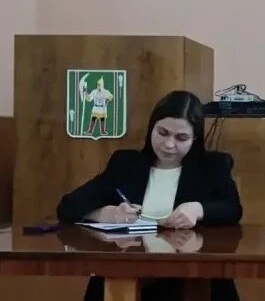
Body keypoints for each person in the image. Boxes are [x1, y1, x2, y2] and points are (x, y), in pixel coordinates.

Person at [57, 90, 243, 301]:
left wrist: (198, 209)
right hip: (129, 272)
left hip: (192, 278)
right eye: (162, 133)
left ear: (195, 138)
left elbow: (233, 209)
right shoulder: (126, 164)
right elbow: (68, 207)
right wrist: (106, 214)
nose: (169, 144)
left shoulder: (212, 166)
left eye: (181, 138)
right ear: (151, 128)